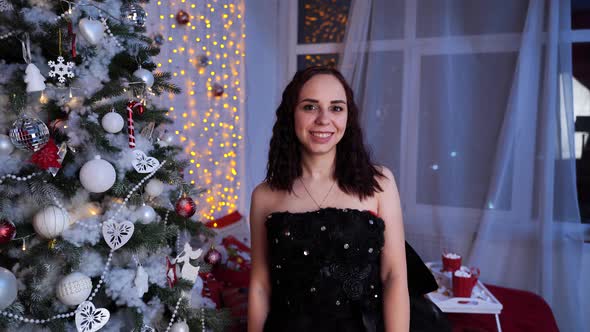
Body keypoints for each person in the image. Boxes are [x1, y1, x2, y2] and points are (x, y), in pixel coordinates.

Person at [248, 66, 409, 332]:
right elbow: (260, 286)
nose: (324, 119)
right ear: (291, 114)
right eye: (310, 107)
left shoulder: (380, 183)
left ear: (348, 116)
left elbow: (394, 275)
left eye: (336, 108)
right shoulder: (264, 195)